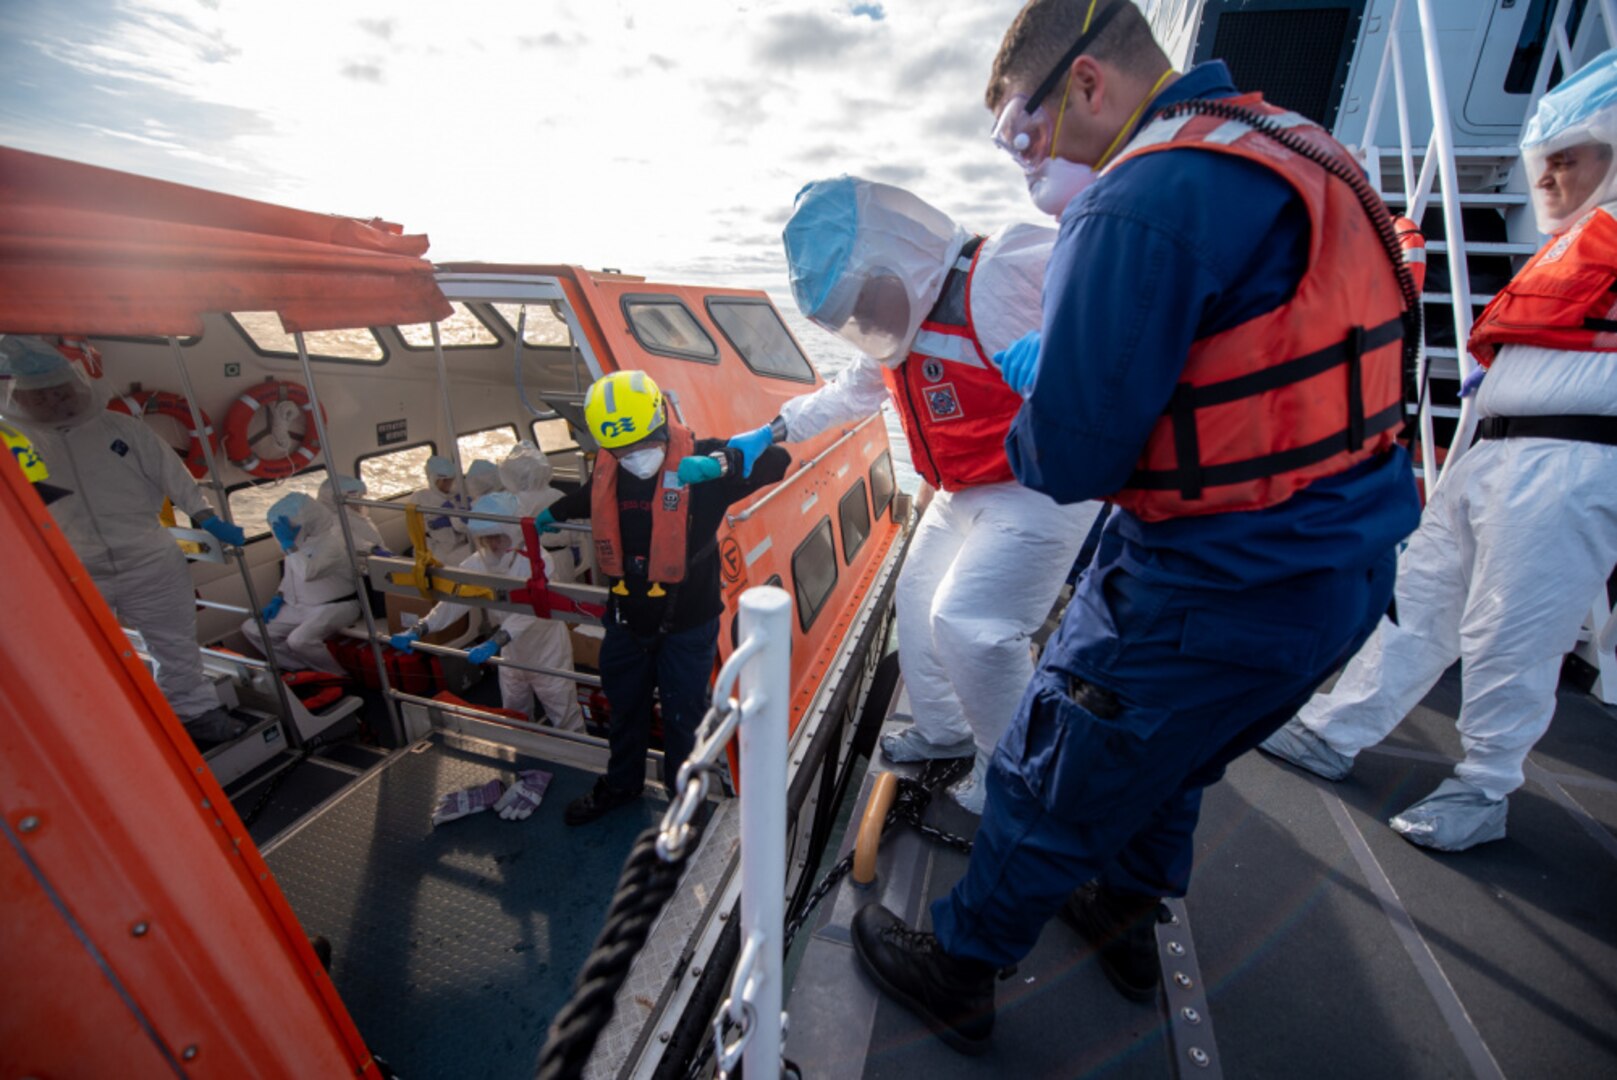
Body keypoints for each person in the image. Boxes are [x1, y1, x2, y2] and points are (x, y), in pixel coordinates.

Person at [848, 0, 1422, 1053]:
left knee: (1046, 766)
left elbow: (1068, 459)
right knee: (1178, 757)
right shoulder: (1303, 149)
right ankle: (1122, 904)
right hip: (1345, 564)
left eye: (1025, 129)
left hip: (1215, 577)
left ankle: (961, 969)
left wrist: (1043, 380)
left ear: (1086, 84)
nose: (1028, 158)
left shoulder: (1134, 202)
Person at [1260, 51, 1617, 852]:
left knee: (1511, 629)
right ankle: (1334, 728)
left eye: (1570, 159)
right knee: (1417, 598)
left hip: (1574, 462)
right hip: (1492, 453)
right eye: (1545, 162)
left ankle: (1483, 787)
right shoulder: (1573, 243)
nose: (1550, 178)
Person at [725, 175, 1097, 813]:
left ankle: (1014, 770)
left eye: (864, 298)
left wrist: (1074, 364)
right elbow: (849, 394)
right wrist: (774, 430)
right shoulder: (896, 330)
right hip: (966, 486)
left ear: (893, 261)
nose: (863, 319)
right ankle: (947, 730)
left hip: (1039, 480)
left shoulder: (997, 275)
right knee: (917, 598)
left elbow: (1111, 295)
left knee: (974, 625)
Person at [539, 370, 790, 825]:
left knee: (683, 719)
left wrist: (723, 463)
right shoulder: (612, 466)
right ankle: (621, 785)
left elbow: (779, 460)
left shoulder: (701, 462)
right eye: (623, 450)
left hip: (688, 625)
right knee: (624, 711)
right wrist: (554, 512)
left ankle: (685, 807)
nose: (635, 457)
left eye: (644, 445)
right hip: (625, 618)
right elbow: (591, 497)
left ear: (661, 424)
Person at [0, 335, 251, 747]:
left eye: (60, 391)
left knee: (175, 645)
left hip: (148, 558)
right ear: (15, 399)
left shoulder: (120, 428)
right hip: (69, 568)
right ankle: (102, 734)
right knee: (76, 656)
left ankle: (197, 716)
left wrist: (206, 517)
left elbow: (171, 472)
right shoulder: (11, 442)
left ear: (77, 386)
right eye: (40, 397)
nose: (54, 402)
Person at [391, 491, 585, 730]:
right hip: (511, 652)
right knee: (514, 714)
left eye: (498, 537)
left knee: (564, 713)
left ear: (512, 534)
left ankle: (580, 762)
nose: (492, 544)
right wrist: (421, 627)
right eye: (486, 539)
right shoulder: (478, 562)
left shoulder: (537, 560)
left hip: (546, 650)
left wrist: (496, 641)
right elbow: (455, 597)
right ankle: (524, 756)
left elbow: (532, 609)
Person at [242, 491, 361, 675]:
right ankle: (299, 669)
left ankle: (336, 675)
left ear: (308, 523)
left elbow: (308, 573)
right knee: (252, 628)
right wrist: (277, 598)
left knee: (298, 640)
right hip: (299, 606)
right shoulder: (297, 545)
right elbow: (290, 578)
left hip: (335, 606)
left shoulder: (332, 544)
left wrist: (289, 546)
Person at [500, 441, 575, 582]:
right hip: (561, 557)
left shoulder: (511, 500)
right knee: (563, 598)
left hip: (527, 559)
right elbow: (576, 533)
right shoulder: (558, 495)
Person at [411, 454, 469, 563]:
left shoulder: (456, 495)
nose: (448, 484)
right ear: (434, 480)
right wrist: (433, 524)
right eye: (444, 481)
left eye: (450, 480)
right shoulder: (421, 497)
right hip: (434, 548)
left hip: (459, 544)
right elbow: (414, 526)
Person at [317, 474, 388, 555]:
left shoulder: (351, 513)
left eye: (360, 497)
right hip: (367, 560)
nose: (360, 502)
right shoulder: (333, 521)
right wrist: (373, 549)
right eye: (357, 498)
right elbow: (348, 539)